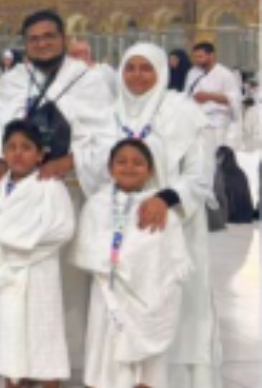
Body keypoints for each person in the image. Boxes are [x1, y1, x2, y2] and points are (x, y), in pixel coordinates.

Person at [0, 10, 117, 370]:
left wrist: (70, 161)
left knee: (67, 281)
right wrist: (0, 163)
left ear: (63, 38)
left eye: (49, 36)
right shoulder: (12, 81)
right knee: (22, 276)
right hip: (22, 190)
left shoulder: (89, 80)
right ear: (24, 44)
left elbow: (106, 135)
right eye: (34, 39)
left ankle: (63, 360)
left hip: (69, 187)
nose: (42, 44)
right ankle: (21, 359)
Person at [114, 43, 219, 388]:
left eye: (146, 68)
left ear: (161, 71)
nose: (137, 76)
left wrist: (165, 198)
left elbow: (200, 173)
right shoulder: (111, 112)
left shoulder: (184, 111)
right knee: (129, 305)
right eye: (130, 67)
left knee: (177, 305)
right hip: (126, 224)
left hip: (175, 220)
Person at [74, 140, 192, 388]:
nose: (129, 167)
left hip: (148, 293)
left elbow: (170, 255)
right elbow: (86, 247)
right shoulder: (96, 204)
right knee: (108, 353)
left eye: (138, 163)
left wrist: (141, 270)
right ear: (110, 168)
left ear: (150, 170)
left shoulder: (159, 208)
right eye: (122, 162)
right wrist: (116, 264)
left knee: (147, 362)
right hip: (108, 293)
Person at [0, 121, 75, 388]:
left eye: (26, 147)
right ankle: (13, 377)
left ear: (39, 155)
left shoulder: (50, 186)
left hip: (37, 272)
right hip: (0, 272)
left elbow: (63, 228)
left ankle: (49, 380)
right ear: (3, 152)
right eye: (11, 147)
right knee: (8, 327)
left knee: (42, 329)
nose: (17, 153)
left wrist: (18, 242)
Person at [186, 42, 243, 152]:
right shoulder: (192, 73)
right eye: (195, 57)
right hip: (197, 121)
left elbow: (233, 99)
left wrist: (209, 96)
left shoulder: (225, 74)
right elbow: (187, 95)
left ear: (211, 55)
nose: (196, 60)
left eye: (200, 56)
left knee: (215, 154)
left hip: (218, 122)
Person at [216, 146, 254, 223]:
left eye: (221, 157)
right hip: (237, 215)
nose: (218, 160)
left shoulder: (231, 174)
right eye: (218, 157)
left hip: (234, 216)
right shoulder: (236, 172)